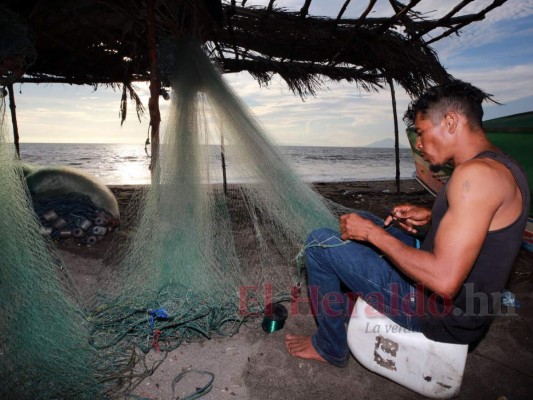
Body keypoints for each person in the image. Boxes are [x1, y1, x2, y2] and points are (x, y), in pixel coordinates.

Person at [285, 80, 530, 367]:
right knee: (365, 219)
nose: (419, 145)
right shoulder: (500, 164)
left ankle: (330, 347)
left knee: (318, 243)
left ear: (451, 122)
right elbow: (483, 228)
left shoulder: (474, 177)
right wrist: (430, 217)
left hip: (437, 314)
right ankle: (352, 295)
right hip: (467, 305)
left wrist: (374, 235)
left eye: (422, 133)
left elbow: (443, 281)